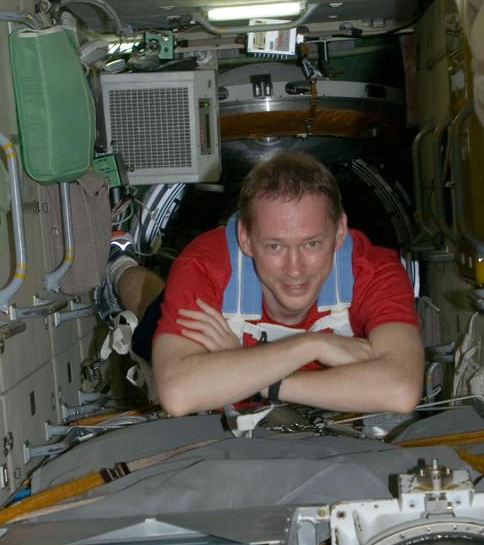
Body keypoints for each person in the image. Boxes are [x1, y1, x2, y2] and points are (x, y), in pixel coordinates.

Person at [111, 152, 424, 417]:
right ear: (246, 239)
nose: (295, 268)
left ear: (340, 233)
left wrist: (262, 377)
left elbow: (401, 390)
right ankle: (118, 265)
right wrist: (311, 345)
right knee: (149, 306)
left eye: (312, 243)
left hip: (286, 394)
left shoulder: (374, 270)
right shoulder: (205, 265)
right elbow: (178, 394)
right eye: (275, 246)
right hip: (204, 316)